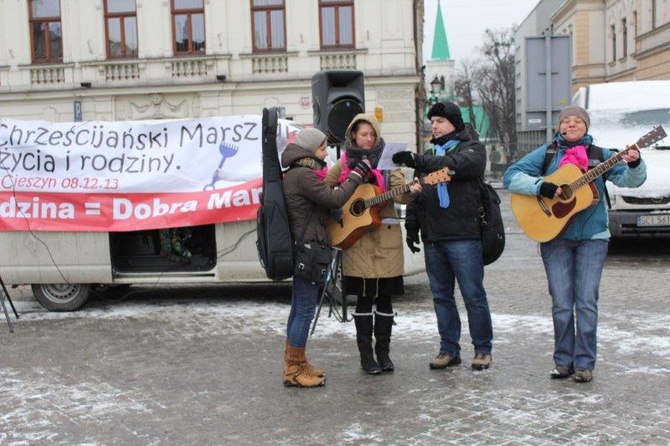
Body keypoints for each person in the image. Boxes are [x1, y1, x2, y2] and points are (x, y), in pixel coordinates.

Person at [503, 105, 646, 383]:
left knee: (587, 303)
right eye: (566, 121)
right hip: (555, 238)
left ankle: (584, 364)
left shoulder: (601, 156)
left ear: (586, 126)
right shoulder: (548, 153)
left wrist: (635, 163)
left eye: (577, 121)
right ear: (559, 127)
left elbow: (631, 181)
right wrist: (541, 187)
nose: (571, 124)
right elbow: (511, 176)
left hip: (592, 238)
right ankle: (563, 362)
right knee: (561, 303)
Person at [392, 101, 494, 371]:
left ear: (454, 123)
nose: (434, 126)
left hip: (464, 235)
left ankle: (483, 348)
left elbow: (453, 167)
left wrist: (418, 160)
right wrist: (412, 226)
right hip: (434, 237)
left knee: (473, 295)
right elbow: (418, 192)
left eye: (440, 121)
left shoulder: (472, 149)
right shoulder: (430, 155)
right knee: (441, 297)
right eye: (433, 121)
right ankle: (449, 349)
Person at [325, 113, 418, 375]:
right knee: (364, 300)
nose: (368, 139)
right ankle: (366, 357)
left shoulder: (389, 162)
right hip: (356, 240)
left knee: (385, 300)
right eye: (363, 134)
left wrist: (410, 192)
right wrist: (340, 206)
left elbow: (402, 196)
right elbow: (325, 191)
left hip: (386, 238)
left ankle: (384, 354)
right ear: (353, 135)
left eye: (372, 134)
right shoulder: (343, 164)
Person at [281, 127, 371, 388]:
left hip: (305, 247)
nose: (325, 152)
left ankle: (296, 361)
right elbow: (335, 197)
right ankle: (293, 369)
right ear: (310, 150)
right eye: (322, 148)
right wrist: (356, 175)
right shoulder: (303, 175)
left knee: (299, 308)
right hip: (309, 250)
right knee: (306, 310)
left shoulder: (298, 173)